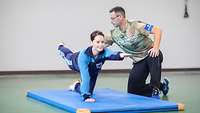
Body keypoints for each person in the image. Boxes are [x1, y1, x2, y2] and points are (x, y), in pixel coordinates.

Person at [105, 6, 169, 98]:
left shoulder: (136, 25)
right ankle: (162, 85)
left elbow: (157, 30)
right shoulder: (114, 34)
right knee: (133, 91)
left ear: (120, 17)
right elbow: (100, 44)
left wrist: (155, 48)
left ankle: (155, 89)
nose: (111, 21)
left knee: (153, 55)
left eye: (112, 18)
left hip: (151, 54)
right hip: (139, 61)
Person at [58, 30, 130, 102]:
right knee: (67, 55)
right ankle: (60, 46)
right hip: (75, 62)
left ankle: (76, 86)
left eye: (102, 42)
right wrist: (86, 96)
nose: (101, 45)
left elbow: (113, 54)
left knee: (90, 92)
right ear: (92, 42)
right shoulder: (84, 56)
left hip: (93, 70)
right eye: (98, 42)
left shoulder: (104, 51)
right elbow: (85, 76)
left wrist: (121, 55)